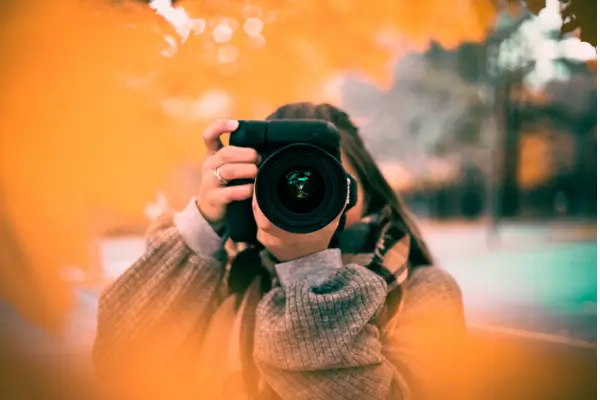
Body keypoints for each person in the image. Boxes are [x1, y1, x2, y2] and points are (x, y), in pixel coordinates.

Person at [92, 103, 466, 400]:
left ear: (365, 191)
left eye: (328, 182)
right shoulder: (229, 277)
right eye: (277, 183)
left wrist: (310, 271)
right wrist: (201, 225)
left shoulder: (425, 290)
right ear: (248, 190)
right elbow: (120, 363)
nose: (303, 198)